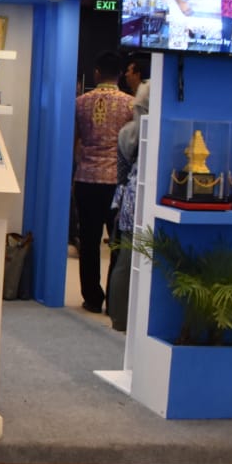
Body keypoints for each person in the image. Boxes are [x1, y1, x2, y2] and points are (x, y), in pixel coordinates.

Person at [73, 50, 135, 314]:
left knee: (89, 241)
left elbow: (75, 140)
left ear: (97, 73)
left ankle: (92, 297)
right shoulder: (131, 105)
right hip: (116, 183)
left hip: (86, 178)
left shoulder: (80, 103)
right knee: (117, 242)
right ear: (120, 74)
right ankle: (114, 299)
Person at [108, 81, 149, 331]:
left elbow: (121, 176)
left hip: (129, 200)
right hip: (151, 202)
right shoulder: (161, 133)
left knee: (124, 262)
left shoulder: (127, 133)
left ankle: (119, 318)